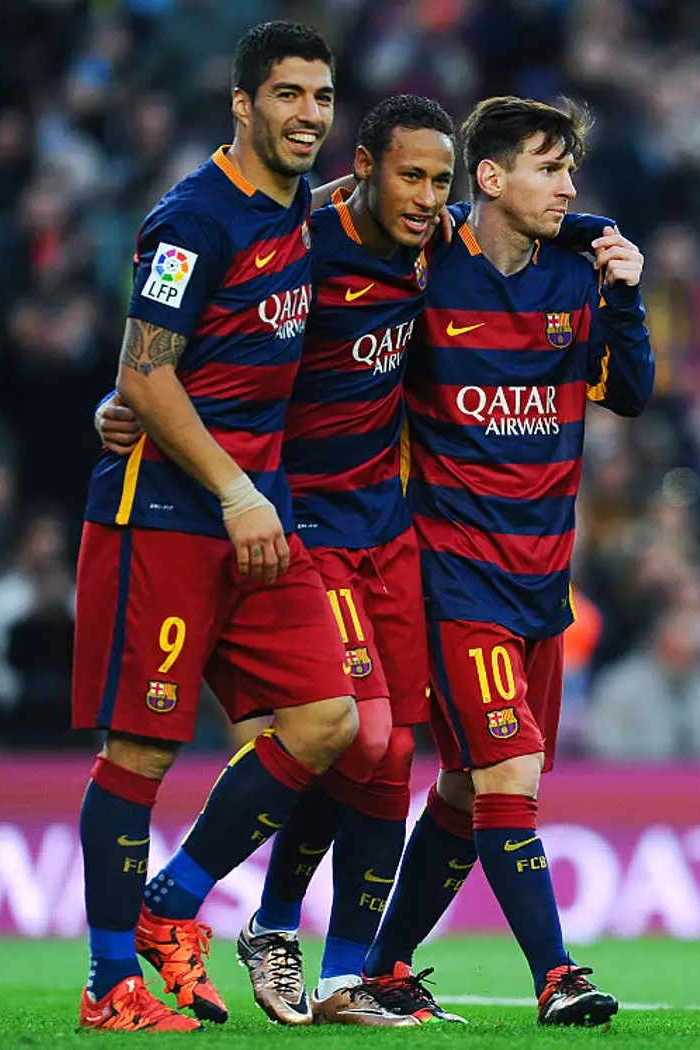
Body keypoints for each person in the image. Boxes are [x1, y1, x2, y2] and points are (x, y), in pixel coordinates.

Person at [99, 94, 467, 1028]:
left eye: (441, 180)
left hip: (387, 527)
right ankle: (254, 921)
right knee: (359, 732)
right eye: (410, 176)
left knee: (385, 750)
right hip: (294, 524)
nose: (426, 196)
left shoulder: (434, 244)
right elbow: (177, 346)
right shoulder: (303, 239)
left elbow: (513, 216)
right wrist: (122, 402)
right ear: (368, 166)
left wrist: (598, 237)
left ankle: (344, 973)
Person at [71, 22, 358, 1034]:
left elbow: (431, 200)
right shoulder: (191, 219)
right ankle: (111, 988)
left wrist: (588, 234)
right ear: (243, 105)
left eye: (321, 97)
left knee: (330, 722)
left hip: (256, 514)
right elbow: (141, 374)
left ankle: (171, 904)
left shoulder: (304, 215)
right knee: (140, 753)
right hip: (167, 515)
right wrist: (234, 488)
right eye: (287, 95)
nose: (307, 114)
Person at [358, 96, 653, 1027]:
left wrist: (628, 293)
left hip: (541, 584)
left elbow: (633, 394)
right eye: (549, 165)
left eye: (572, 168)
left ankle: (385, 968)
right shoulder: (428, 264)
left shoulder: (577, 270)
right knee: (509, 772)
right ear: (489, 179)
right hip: (454, 573)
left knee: (464, 786)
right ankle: (557, 974)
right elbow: (353, 217)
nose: (569, 186)